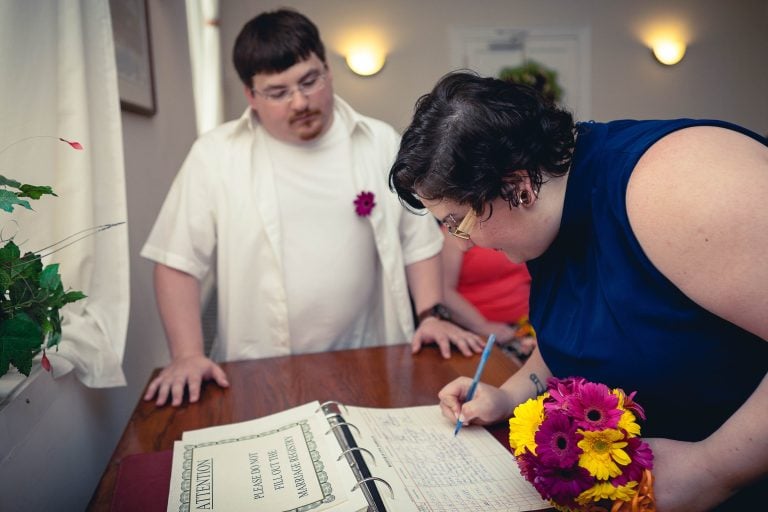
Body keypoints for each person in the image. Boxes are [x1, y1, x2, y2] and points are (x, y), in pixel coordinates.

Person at [389, 71, 768, 511]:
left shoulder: (678, 190)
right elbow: (576, 335)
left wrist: (713, 468)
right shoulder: (544, 215)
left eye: (460, 223)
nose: (460, 242)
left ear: (518, 187)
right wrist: (508, 395)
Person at [140, 10, 482, 408]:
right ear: (251, 95)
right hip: (260, 370)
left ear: (327, 69)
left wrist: (431, 314)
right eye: (278, 91)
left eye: (309, 80)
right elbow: (177, 260)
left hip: (369, 355)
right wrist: (186, 355)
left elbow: (417, 240)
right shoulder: (215, 156)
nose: (300, 101)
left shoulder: (379, 141)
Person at [440, 230, 536, 358]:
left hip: (530, 325)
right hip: (482, 332)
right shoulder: (453, 234)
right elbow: (444, 291)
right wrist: (482, 326)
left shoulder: (516, 225)